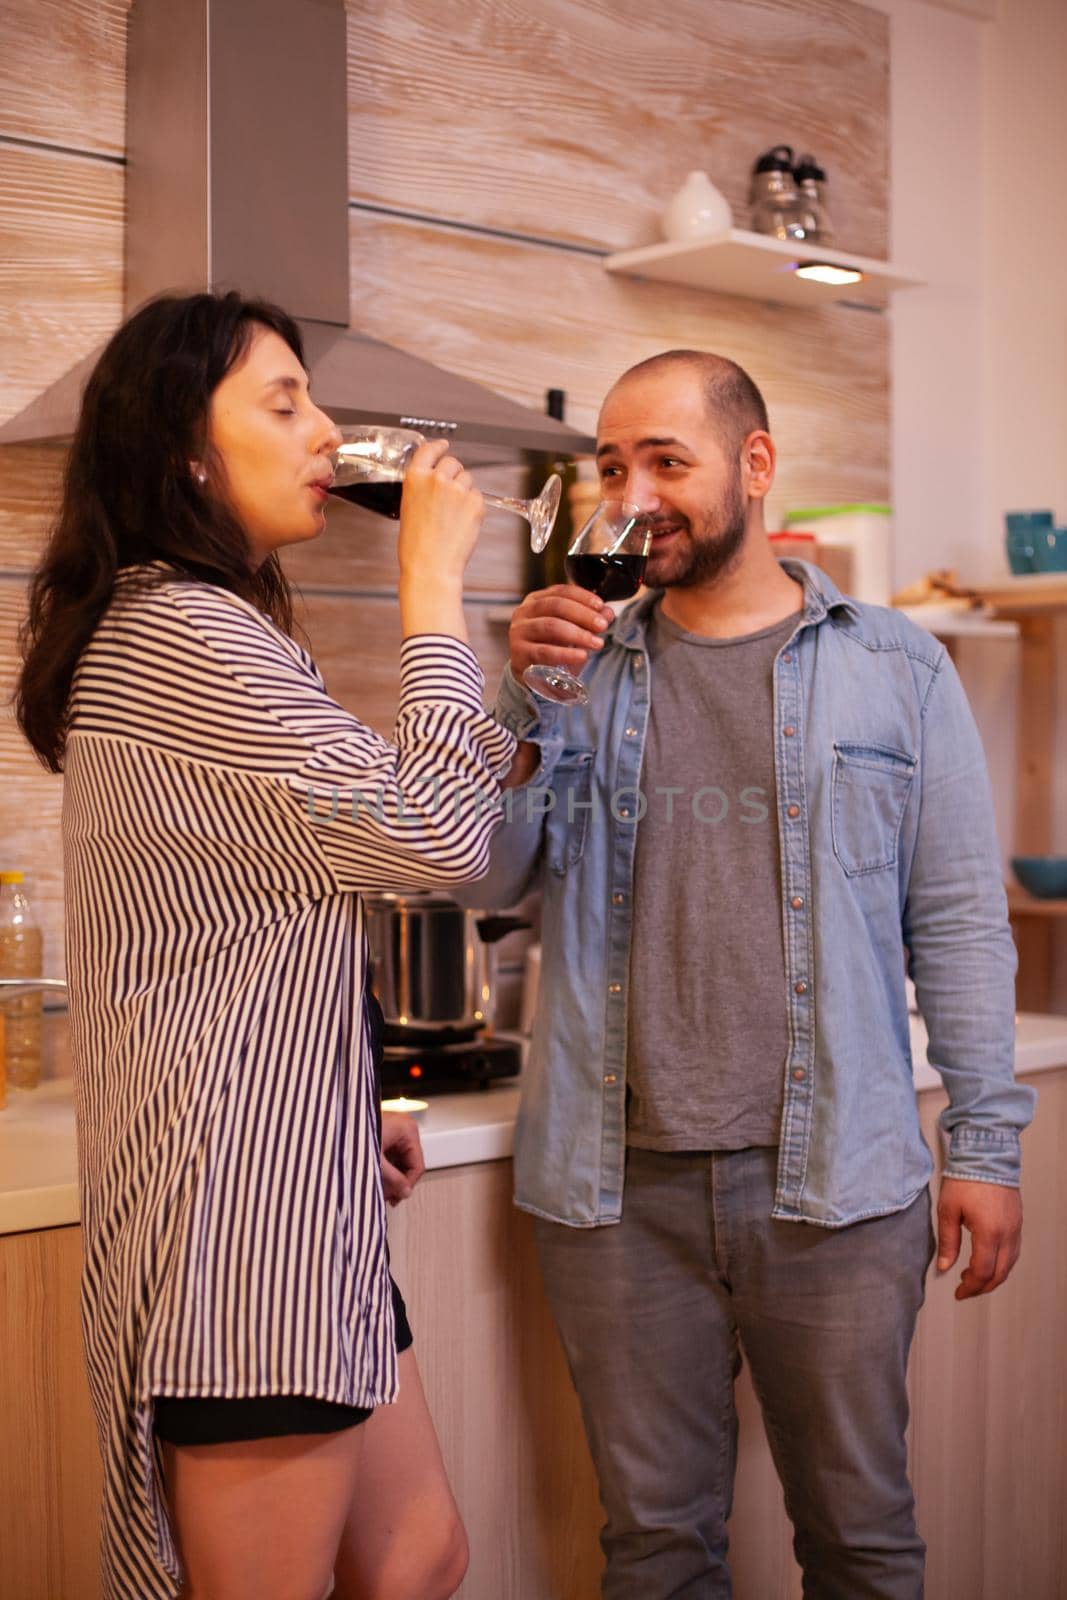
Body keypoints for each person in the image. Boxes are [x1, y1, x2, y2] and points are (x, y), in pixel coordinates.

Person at [469, 349, 1036, 1598]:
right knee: (655, 1551)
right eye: (611, 467)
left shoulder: (893, 665)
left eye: (667, 461)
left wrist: (985, 1147)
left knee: (860, 1542)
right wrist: (518, 698)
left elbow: (953, 916)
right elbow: (486, 876)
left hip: (834, 1188)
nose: (633, 495)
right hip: (615, 1198)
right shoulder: (573, 669)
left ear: (756, 465)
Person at [15, 291, 521, 1600]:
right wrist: (427, 594)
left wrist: (345, 1098)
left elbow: (257, 907)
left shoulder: (205, 627)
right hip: (238, 1233)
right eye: (283, 403)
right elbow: (433, 840)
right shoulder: (181, 631)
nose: (324, 433)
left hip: (302, 1192)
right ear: (187, 451)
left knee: (418, 1557)